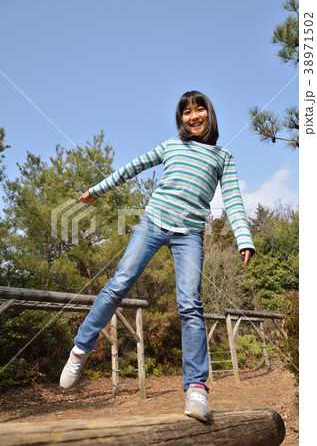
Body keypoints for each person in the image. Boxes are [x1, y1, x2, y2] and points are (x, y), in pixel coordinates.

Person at [60, 90, 255, 422]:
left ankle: (196, 389)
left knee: (190, 304)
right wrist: (98, 189)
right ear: (180, 119)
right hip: (152, 223)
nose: (193, 116)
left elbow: (234, 200)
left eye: (199, 110)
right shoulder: (171, 146)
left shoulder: (223, 157)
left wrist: (243, 236)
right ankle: (80, 349)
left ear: (209, 113)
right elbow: (132, 168)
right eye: (186, 112)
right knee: (118, 284)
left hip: (189, 235)